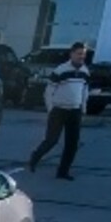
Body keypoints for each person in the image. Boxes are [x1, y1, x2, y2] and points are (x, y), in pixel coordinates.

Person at [28, 41, 91, 180]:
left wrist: (83, 108)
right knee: (52, 140)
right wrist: (51, 108)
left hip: (75, 111)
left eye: (84, 55)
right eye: (79, 54)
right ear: (72, 54)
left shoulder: (85, 71)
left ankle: (63, 172)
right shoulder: (61, 70)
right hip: (59, 110)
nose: (81, 57)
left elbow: (85, 91)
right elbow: (49, 91)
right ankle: (35, 157)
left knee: (72, 144)